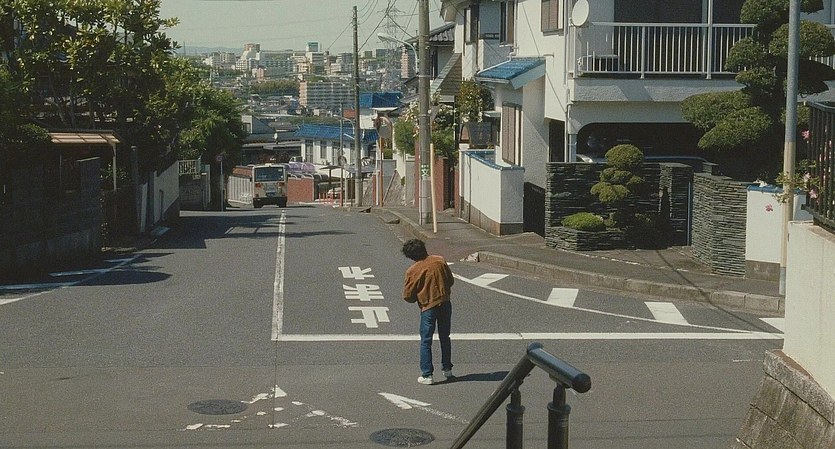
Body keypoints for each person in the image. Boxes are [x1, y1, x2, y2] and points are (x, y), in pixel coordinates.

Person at [401, 238, 454, 385]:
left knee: (426, 341)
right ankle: (447, 369)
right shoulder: (440, 260)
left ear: (411, 256)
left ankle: (427, 374)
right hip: (445, 302)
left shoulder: (413, 270)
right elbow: (450, 281)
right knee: (445, 337)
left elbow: (408, 296)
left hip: (428, 307)